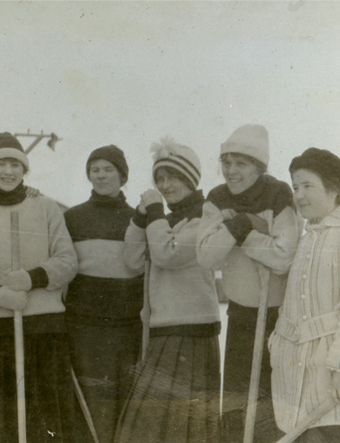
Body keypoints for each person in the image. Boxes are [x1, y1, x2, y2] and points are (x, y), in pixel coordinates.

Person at [0, 132, 80, 441]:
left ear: (25, 170)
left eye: (15, 164)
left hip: (43, 326)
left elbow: (67, 260)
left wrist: (33, 278)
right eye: (1, 164)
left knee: (44, 417)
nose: (8, 171)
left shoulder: (46, 208)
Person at [270, 148, 340, 443]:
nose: (299, 195)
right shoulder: (307, 239)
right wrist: (277, 345)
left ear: (334, 190)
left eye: (308, 186)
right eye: (296, 187)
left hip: (338, 381)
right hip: (298, 380)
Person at [196, 124, 299, 442]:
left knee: (273, 400)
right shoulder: (216, 198)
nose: (231, 170)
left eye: (240, 163)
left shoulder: (279, 194)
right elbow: (205, 256)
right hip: (240, 313)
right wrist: (236, 227)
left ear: (259, 166)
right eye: (226, 162)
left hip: (277, 316)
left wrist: (247, 232)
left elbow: (283, 257)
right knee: (239, 398)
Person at [117, 137, 221, 442]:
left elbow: (168, 253)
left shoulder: (205, 218)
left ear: (190, 179)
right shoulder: (161, 219)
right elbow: (133, 260)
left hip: (192, 328)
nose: (165, 185)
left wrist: (154, 214)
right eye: (160, 178)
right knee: (154, 419)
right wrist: (140, 218)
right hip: (163, 326)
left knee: (179, 421)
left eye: (173, 177)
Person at [64, 145, 144, 443]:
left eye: (108, 169)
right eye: (95, 169)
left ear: (122, 176)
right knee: (88, 400)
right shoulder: (73, 217)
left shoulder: (138, 218)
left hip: (126, 327)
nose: (100, 175)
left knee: (124, 400)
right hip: (84, 327)